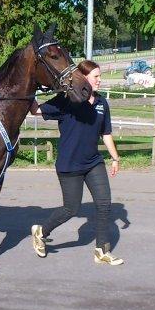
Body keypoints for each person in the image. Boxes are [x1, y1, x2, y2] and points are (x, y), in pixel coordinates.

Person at [28, 60, 124, 265]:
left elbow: (106, 133)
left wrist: (115, 158)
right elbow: (36, 111)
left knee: (104, 204)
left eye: (100, 76)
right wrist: (31, 87)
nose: (100, 80)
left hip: (93, 162)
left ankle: (102, 251)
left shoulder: (101, 103)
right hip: (69, 165)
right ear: (83, 78)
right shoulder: (66, 101)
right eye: (96, 76)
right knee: (71, 209)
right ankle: (41, 232)